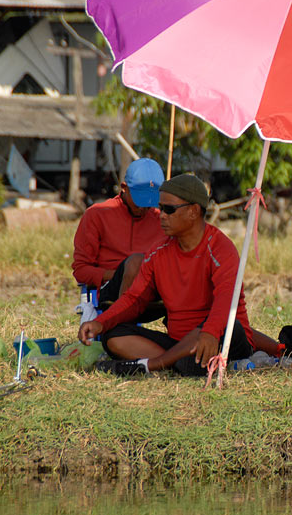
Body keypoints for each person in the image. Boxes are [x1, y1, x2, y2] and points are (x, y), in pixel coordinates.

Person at [78, 173, 279, 376]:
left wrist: (209, 332)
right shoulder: (158, 252)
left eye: (169, 209)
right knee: (114, 336)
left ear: (193, 211)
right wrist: (100, 323)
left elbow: (225, 301)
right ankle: (176, 362)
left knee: (222, 326)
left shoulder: (220, 248)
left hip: (220, 337)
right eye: (160, 208)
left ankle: (155, 364)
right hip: (179, 344)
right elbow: (134, 299)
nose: (161, 215)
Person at [71, 157, 167, 311]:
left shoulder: (161, 219)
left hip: (150, 289)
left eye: (150, 201)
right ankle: (119, 320)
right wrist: (120, 275)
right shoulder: (97, 214)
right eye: (139, 200)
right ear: (124, 188)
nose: (143, 208)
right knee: (135, 263)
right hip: (111, 289)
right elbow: (81, 271)